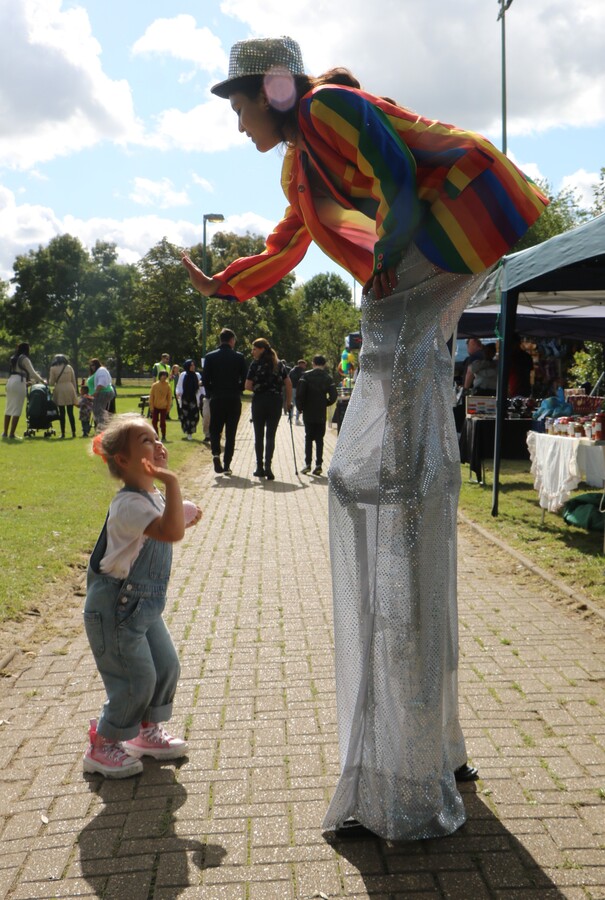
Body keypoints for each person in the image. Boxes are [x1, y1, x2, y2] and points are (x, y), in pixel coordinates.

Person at [182, 36, 548, 840]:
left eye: (239, 106)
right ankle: (431, 743)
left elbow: (389, 169)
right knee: (390, 405)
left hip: (439, 231)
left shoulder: (325, 108)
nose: (237, 125)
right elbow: (286, 244)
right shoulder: (300, 165)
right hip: (410, 256)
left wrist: (386, 247)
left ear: (271, 92)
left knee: (388, 386)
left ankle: (402, 474)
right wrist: (224, 282)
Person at [82, 413, 202, 778]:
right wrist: (173, 482)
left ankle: (145, 732)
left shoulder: (149, 496)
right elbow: (168, 532)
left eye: (156, 436)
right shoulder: (128, 503)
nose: (159, 443)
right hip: (115, 609)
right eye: (147, 441)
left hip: (141, 607)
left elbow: (165, 518)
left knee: (166, 666)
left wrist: (180, 508)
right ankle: (103, 744)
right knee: (136, 680)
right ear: (123, 460)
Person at [201, 329, 248, 474]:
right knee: (231, 432)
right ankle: (227, 464)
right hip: (233, 398)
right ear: (232, 340)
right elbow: (245, 379)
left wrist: (211, 393)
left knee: (215, 429)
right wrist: (238, 389)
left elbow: (205, 380)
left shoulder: (210, 357)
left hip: (217, 397)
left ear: (220, 340)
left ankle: (216, 454)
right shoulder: (239, 357)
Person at [244, 338, 292, 480]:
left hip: (259, 401)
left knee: (259, 435)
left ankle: (259, 467)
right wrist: (288, 403)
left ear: (262, 349)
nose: (252, 352)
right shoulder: (278, 365)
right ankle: (268, 467)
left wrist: (259, 388)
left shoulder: (255, 364)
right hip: (275, 401)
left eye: (254, 349)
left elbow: (247, 385)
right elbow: (288, 384)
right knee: (271, 435)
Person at [296, 355, 338, 475]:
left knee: (308, 437)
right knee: (320, 439)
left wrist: (300, 407)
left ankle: (307, 463)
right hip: (320, 412)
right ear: (324, 364)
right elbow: (334, 395)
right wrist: (326, 403)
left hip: (308, 411)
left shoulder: (306, 376)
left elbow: (300, 394)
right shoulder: (328, 378)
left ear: (313, 363)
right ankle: (319, 464)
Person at [3, 342, 45, 439]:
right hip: (19, 381)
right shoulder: (24, 359)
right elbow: (33, 373)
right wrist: (42, 381)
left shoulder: (13, 358)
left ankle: (5, 432)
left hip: (10, 381)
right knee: (17, 409)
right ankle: (12, 434)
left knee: (8, 408)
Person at [49, 354, 79, 439]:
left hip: (60, 389)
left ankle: (63, 433)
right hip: (70, 388)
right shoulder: (69, 367)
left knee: (62, 413)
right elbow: (73, 380)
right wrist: (75, 393)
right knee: (70, 413)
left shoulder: (53, 368)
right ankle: (73, 432)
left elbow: (51, 382)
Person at [175, 359, 201, 440]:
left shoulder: (197, 375)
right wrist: (178, 392)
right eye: (191, 365)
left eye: (193, 365)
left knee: (194, 416)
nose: (193, 367)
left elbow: (200, 387)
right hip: (185, 399)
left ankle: (191, 430)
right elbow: (179, 386)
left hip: (194, 398)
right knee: (185, 416)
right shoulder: (183, 375)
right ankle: (188, 432)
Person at [89, 358, 114, 430]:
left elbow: (101, 383)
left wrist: (96, 392)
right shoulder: (98, 371)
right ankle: (104, 427)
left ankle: (103, 429)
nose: (92, 367)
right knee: (99, 411)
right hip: (101, 392)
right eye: (91, 365)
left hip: (102, 392)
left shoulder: (101, 370)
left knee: (98, 412)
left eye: (93, 365)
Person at [149, 370, 173, 441]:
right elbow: (151, 397)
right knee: (154, 422)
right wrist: (151, 407)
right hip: (155, 407)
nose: (164, 377)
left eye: (166, 375)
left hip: (163, 407)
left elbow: (169, 398)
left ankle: (163, 436)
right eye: (163, 375)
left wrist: (168, 408)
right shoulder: (155, 385)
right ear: (160, 376)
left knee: (163, 422)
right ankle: (156, 436)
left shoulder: (168, 386)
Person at [288, 359, 307, 424]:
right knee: (298, 404)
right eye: (304, 365)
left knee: (292, 404)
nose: (305, 366)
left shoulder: (292, 370)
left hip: (291, 388)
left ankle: (290, 418)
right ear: (301, 364)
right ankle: (297, 419)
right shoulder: (301, 372)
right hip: (298, 389)